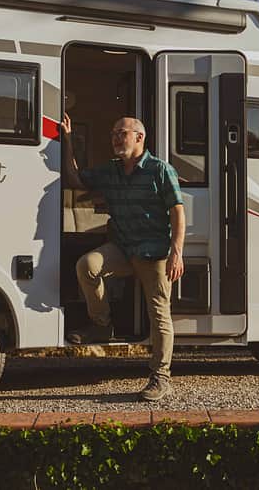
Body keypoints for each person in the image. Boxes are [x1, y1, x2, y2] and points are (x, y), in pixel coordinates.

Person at [60, 114, 185, 402]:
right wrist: (66, 140)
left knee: (159, 314)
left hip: (154, 253)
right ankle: (102, 325)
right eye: (114, 133)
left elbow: (178, 211)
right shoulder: (111, 170)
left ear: (139, 137)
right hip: (123, 248)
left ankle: (161, 377)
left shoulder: (160, 170)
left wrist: (176, 253)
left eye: (122, 133)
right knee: (87, 266)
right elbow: (75, 179)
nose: (116, 138)